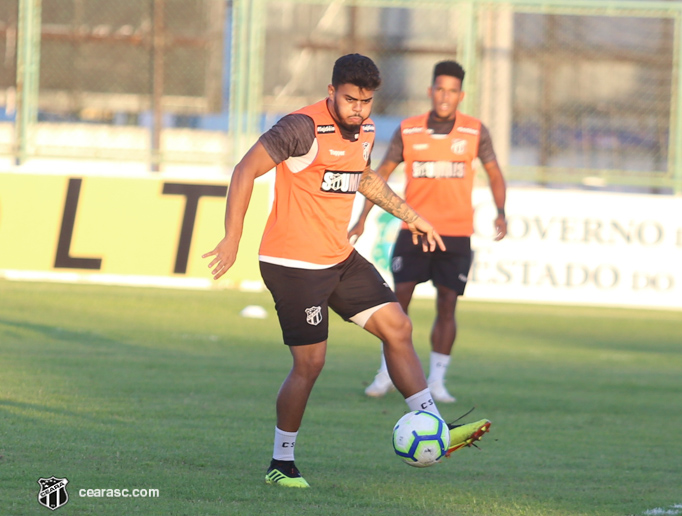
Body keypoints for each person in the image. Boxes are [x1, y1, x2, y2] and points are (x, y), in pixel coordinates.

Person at [203, 54, 490, 489]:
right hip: (293, 265)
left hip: (337, 258)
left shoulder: (368, 129)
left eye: (366, 100)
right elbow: (245, 169)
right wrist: (232, 237)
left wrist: (409, 215)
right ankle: (281, 462)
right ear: (331, 92)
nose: (358, 108)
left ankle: (434, 424)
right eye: (350, 99)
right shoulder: (300, 127)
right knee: (311, 363)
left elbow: (363, 177)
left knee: (397, 326)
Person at [349, 60, 507, 404]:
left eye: (452, 91)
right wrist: (363, 218)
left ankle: (436, 380)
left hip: (455, 234)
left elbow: (495, 172)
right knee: (396, 303)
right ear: (430, 91)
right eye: (439, 89)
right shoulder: (408, 130)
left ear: (461, 95)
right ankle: (386, 371)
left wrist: (501, 212)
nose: (445, 96)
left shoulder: (474, 131)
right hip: (414, 230)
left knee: (447, 305)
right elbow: (379, 175)